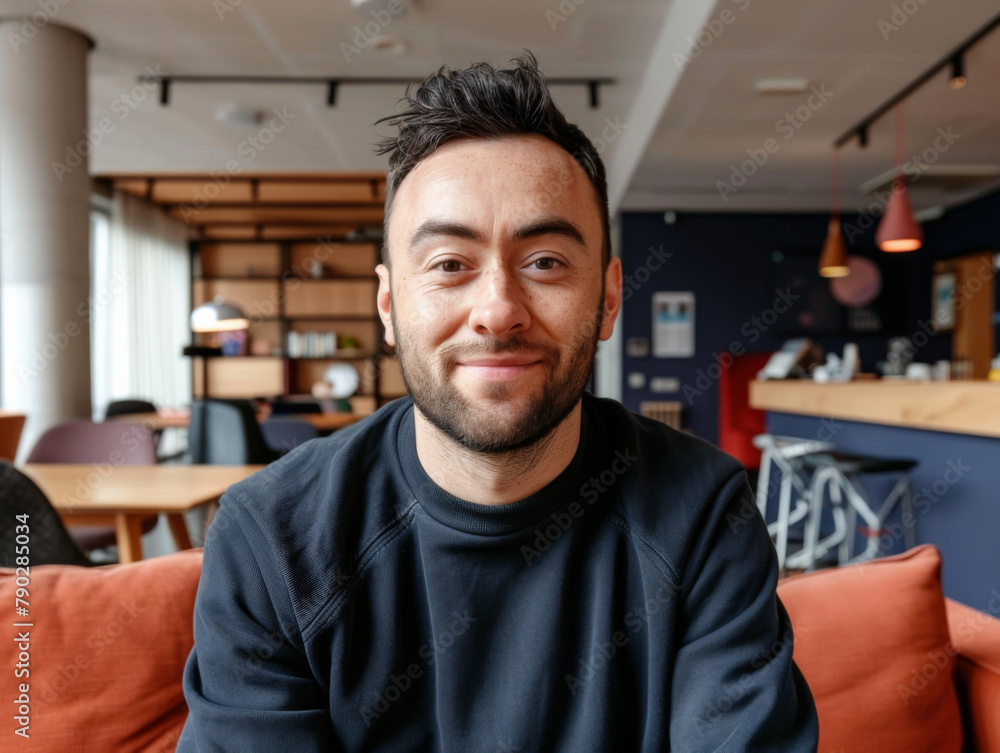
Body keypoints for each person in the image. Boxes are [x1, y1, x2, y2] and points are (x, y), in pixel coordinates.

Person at [178, 51, 817, 752]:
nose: (498, 310)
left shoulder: (702, 513)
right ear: (389, 304)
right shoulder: (270, 536)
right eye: (450, 265)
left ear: (606, 298)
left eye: (544, 261)